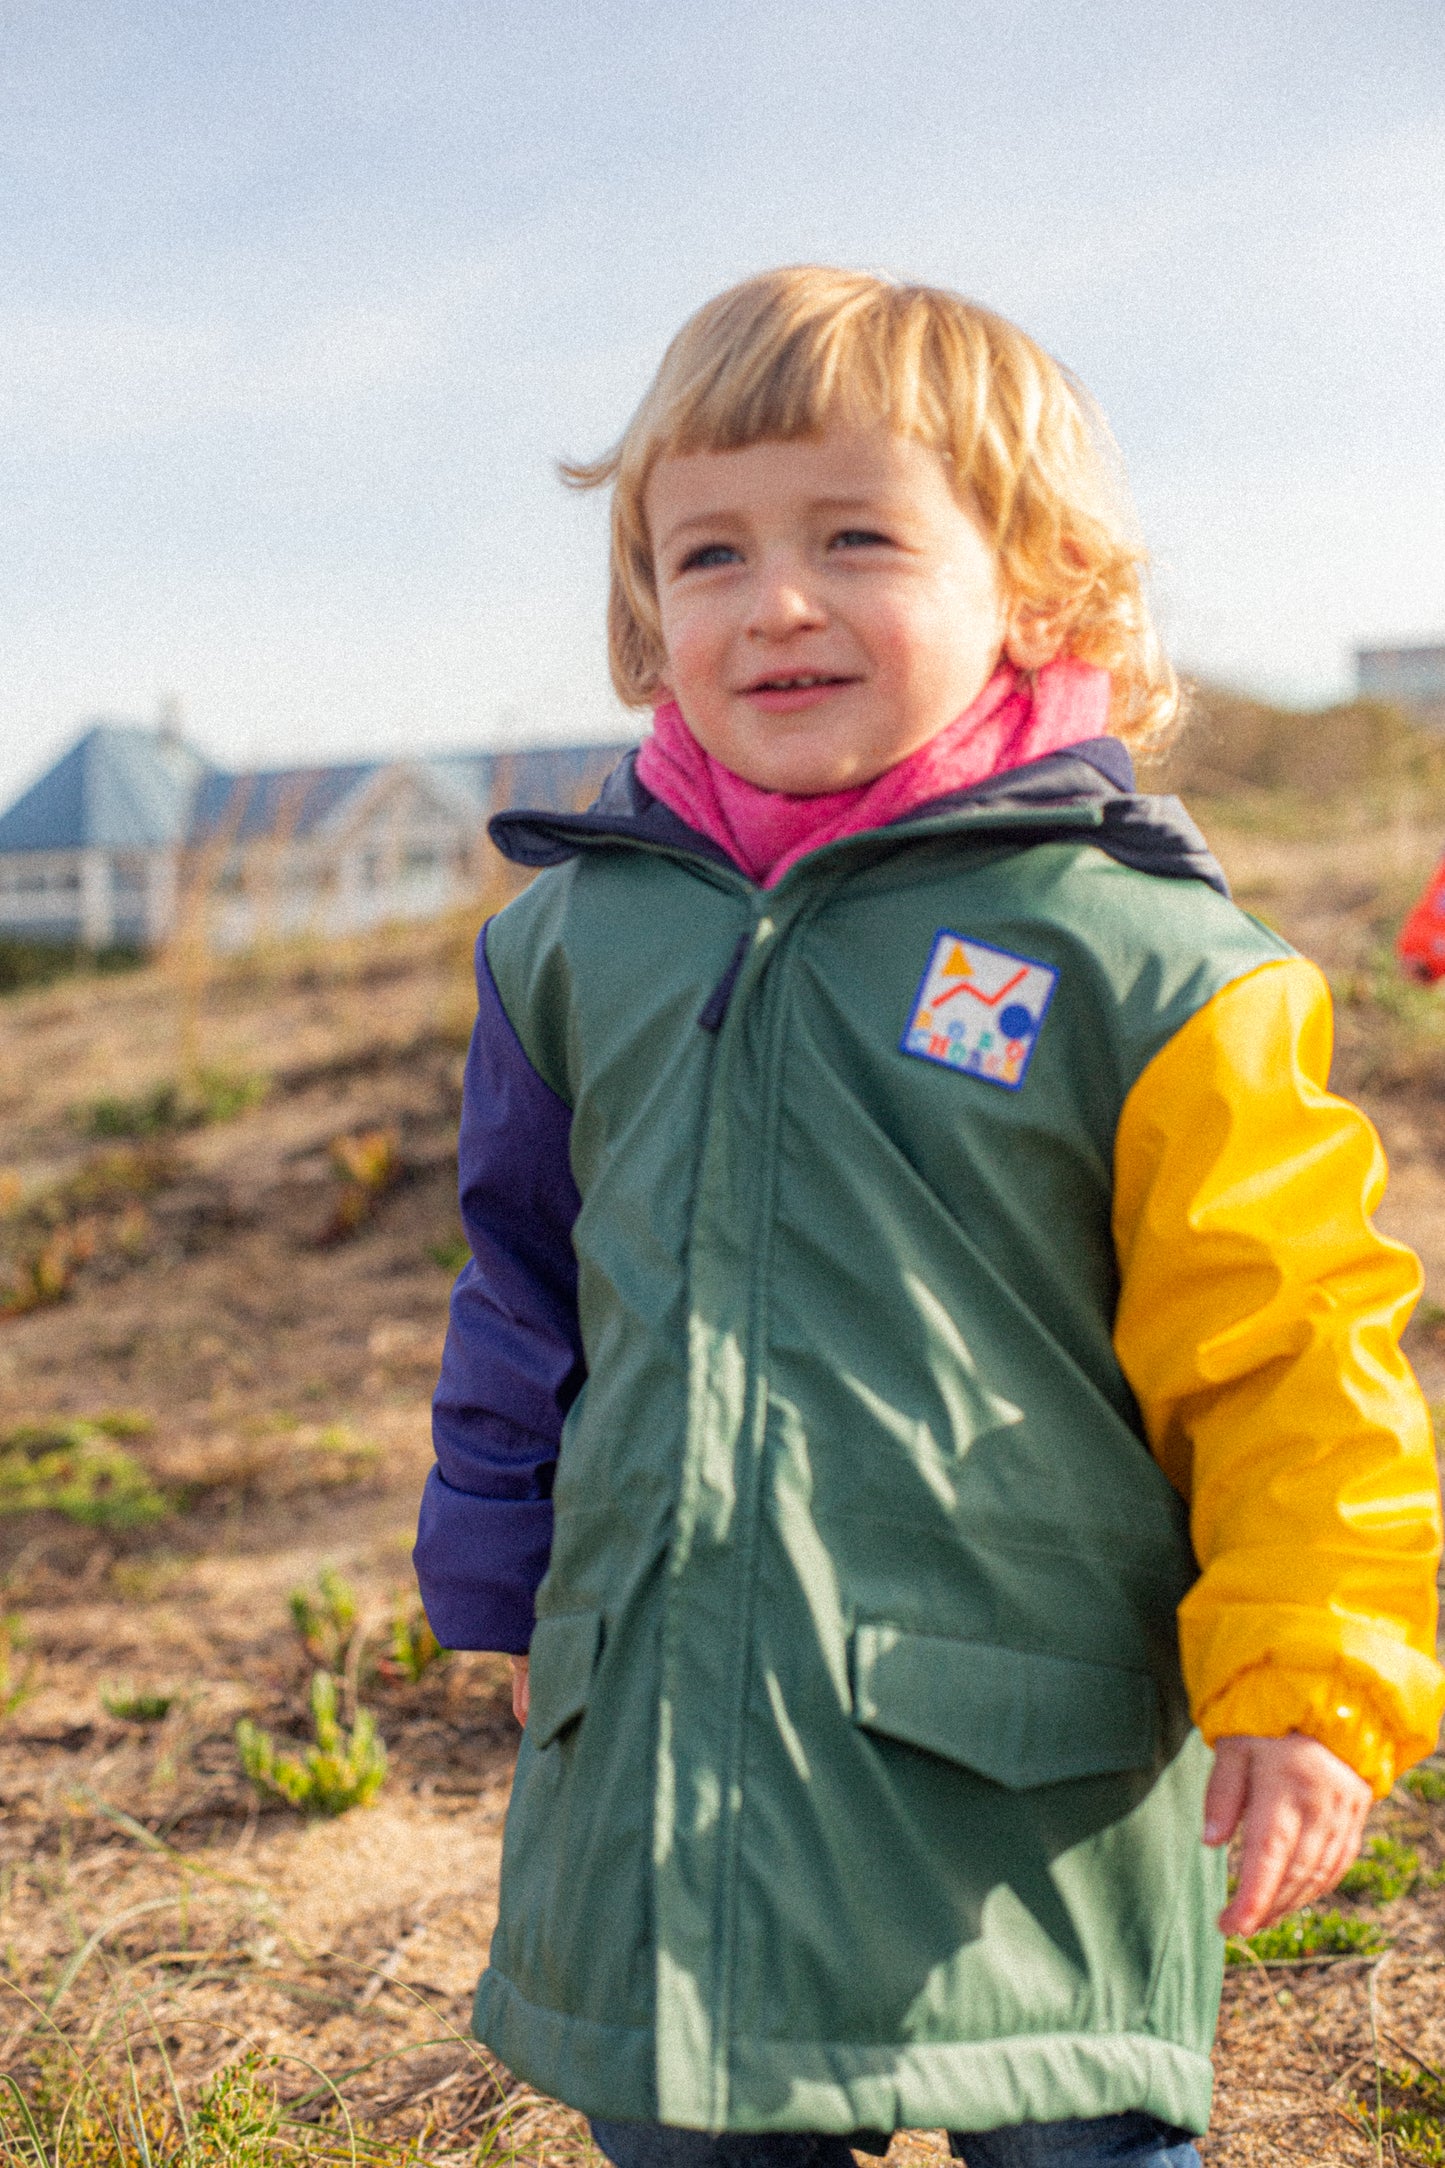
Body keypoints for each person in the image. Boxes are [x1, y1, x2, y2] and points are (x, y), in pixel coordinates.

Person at [415, 268, 1445, 2168]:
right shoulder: (570, 942)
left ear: (1036, 584)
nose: (774, 599)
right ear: (648, 610)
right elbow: (523, 1287)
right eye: (706, 551)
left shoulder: (1141, 958)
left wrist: (1310, 1681)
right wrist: (503, 1582)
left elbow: (1291, 1353)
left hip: (1012, 1782)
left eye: (856, 536)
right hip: (665, 1760)